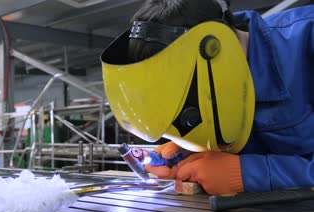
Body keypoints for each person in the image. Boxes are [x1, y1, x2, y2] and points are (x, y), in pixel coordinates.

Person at [101, 0, 313, 195]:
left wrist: (252, 174)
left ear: (215, 48)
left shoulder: (307, 38)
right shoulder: (220, 77)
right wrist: (188, 150)